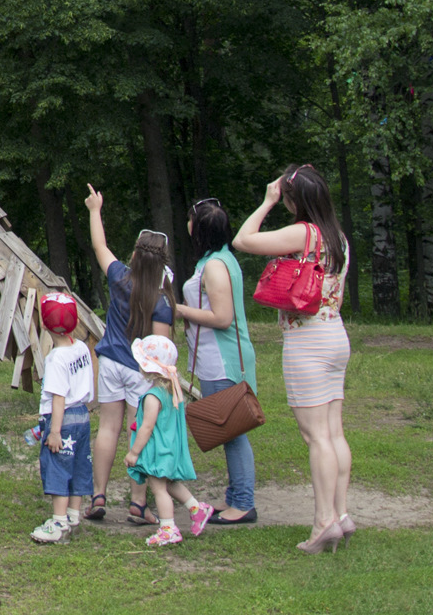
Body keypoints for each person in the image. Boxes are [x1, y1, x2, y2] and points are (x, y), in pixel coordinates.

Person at [233, 164, 354, 553]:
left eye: (286, 196)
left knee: (314, 435)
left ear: (295, 198)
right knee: (333, 431)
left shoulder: (304, 234)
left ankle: (323, 523)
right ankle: (340, 513)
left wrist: (266, 202)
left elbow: (243, 240)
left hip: (307, 342)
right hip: (336, 334)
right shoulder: (339, 238)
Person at [82, 185, 175, 525]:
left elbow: (99, 246)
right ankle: (138, 503)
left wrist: (95, 210)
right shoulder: (161, 302)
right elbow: (160, 352)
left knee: (108, 428)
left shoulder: (120, 277)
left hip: (109, 364)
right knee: (139, 433)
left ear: (135, 255)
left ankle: (98, 496)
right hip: (141, 373)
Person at [176, 196, 258, 524]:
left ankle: (244, 504)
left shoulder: (214, 266)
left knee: (232, 432)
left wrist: (179, 310)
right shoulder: (218, 259)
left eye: (190, 220)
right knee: (227, 431)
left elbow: (222, 317)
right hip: (214, 359)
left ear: (199, 230)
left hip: (222, 361)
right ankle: (235, 497)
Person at [124, 334, 215, 547]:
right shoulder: (171, 390)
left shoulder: (153, 396)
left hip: (158, 452)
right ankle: (197, 509)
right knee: (171, 483)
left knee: (158, 489)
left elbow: (146, 427)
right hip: (170, 449)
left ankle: (168, 529)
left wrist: (134, 452)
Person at [30, 292, 95, 544]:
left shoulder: (56, 359)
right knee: (79, 464)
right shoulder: (80, 348)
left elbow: (58, 398)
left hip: (63, 419)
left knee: (58, 466)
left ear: (45, 326)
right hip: (82, 416)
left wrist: (54, 431)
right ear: (76, 323)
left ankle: (58, 523)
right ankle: (73, 515)